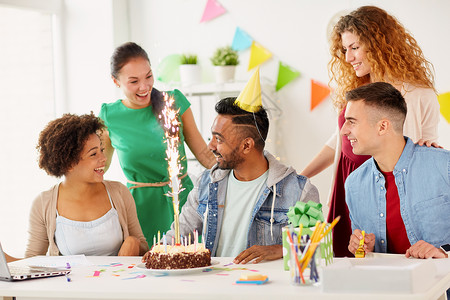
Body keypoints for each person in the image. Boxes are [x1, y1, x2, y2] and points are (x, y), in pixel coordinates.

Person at [300, 6, 440, 257]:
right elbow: (338, 140)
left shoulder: (418, 95)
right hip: (349, 182)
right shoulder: (356, 91)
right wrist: (300, 178)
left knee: (385, 256)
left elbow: (425, 149)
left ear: (379, 45)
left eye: (354, 47)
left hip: (388, 188)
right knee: (348, 262)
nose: (348, 57)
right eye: (344, 49)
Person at [166, 96, 320, 264]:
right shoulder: (207, 184)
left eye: (218, 139)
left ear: (247, 145)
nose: (210, 146)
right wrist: (157, 252)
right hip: (213, 285)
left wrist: (279, 249)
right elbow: (178, 236)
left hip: (265, 288)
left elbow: (317, 247)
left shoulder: (299, 190)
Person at [99, 42, 215, 243]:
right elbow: (99, 167)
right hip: (140, 210)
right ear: (115, 81)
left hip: (184, 202)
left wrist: (244, 176)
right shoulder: (109, 116)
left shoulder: (174, 102)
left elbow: (204, 155)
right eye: (134, 81)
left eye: (148, 76)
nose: (144, 87)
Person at [341, 82, 449, 259]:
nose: (343, 131)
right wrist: (364, 247)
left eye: (351, 122)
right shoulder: (354, 184)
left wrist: (444, 252)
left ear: (383, 127)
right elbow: (364, 256)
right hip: (384, 285)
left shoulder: (444, 165)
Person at [25, 113, 149, 258]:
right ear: (69, 163)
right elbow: (31, 262)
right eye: (93, 154)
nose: (103, 158)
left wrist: (133, 242)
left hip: (118, 280)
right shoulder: (43, 203)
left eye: (101, 150)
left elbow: (144, 248)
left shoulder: (119, 192)